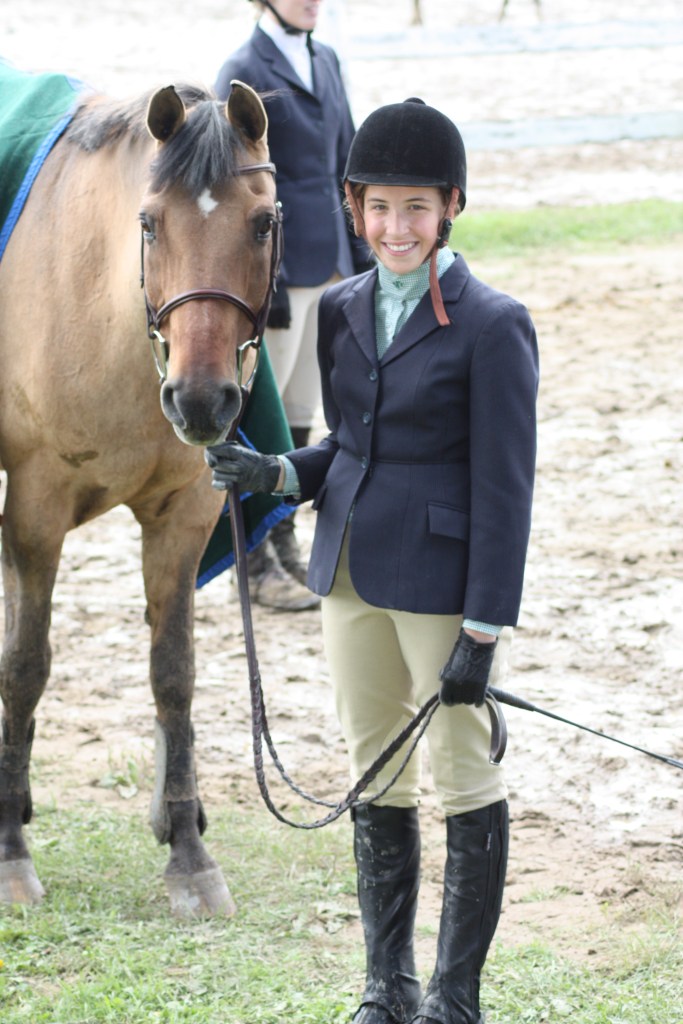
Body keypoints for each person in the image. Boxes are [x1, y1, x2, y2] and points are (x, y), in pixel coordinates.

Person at [206, 98, 539, 1024]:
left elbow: (506, 493)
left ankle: (453, 997)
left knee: (464, 771)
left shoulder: (492, 323)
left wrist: (482, 628)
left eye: (416, 209)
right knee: (373, 770)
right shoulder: (344, 309)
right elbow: (347, 450)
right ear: (353, 209)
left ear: (450, 208)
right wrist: (275, 468)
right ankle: (385, 985)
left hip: (443, 586)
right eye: (380, 208)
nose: (396, 228)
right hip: (346, 571)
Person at [214, 0, 370, 610]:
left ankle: (286, 541)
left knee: (304, 408)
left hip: (330, 260)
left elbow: (347, 162)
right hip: (278, 267)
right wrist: (265, 284)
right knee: (264, 410)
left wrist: (360, 255)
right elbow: (235, 185)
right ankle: (251, 561)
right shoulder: (241, 68)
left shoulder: (326, 59)